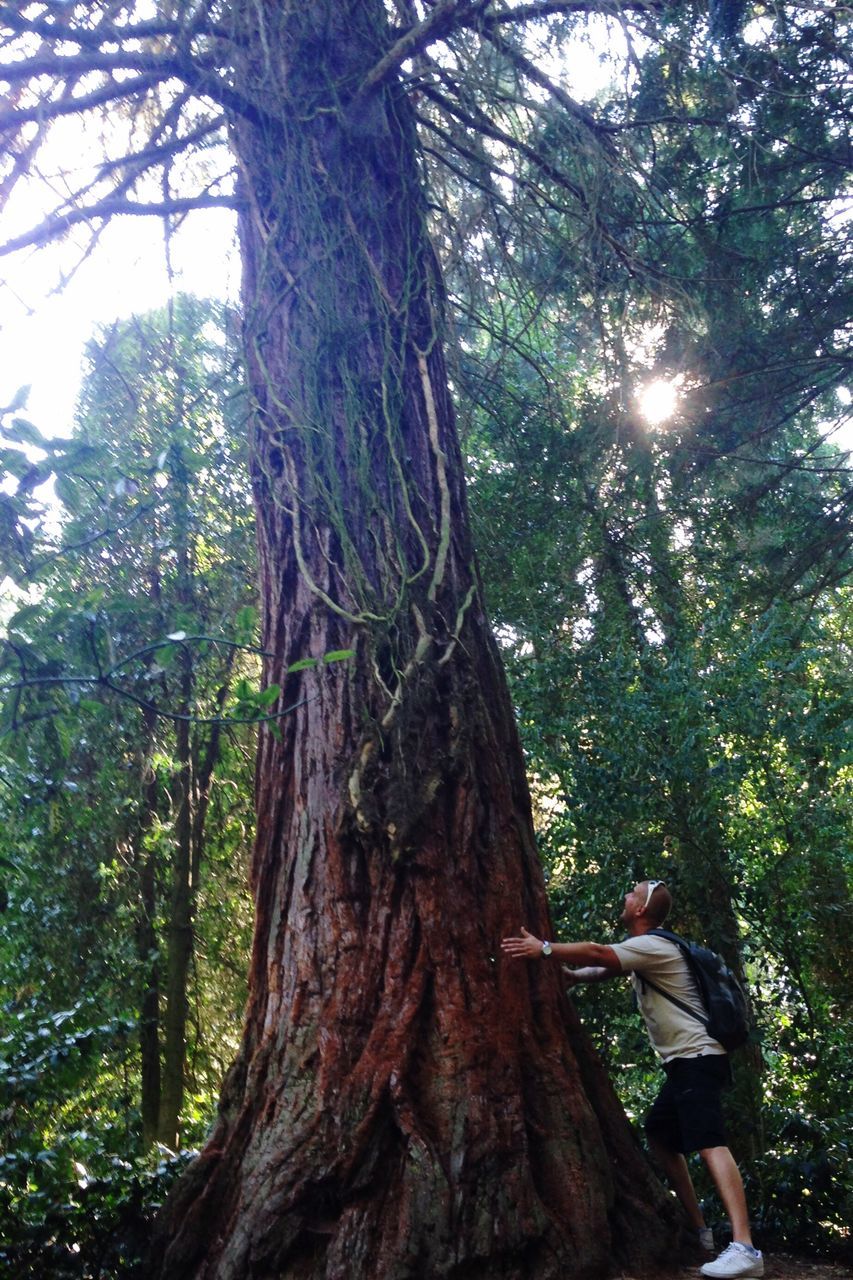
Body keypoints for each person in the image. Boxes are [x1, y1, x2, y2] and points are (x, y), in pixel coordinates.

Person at [501, 879, 763, 1279]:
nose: (625, 896)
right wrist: (571, 976)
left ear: (641, 909)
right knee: (659, 1132)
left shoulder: (655, 945)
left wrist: (546, 950)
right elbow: (604, 966)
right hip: (684, 1063)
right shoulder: (648, 951)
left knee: (710, 1143)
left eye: (631, 893)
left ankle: (745, 1248)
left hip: (697, 1058)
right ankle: (701, 1229)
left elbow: (600, 952)